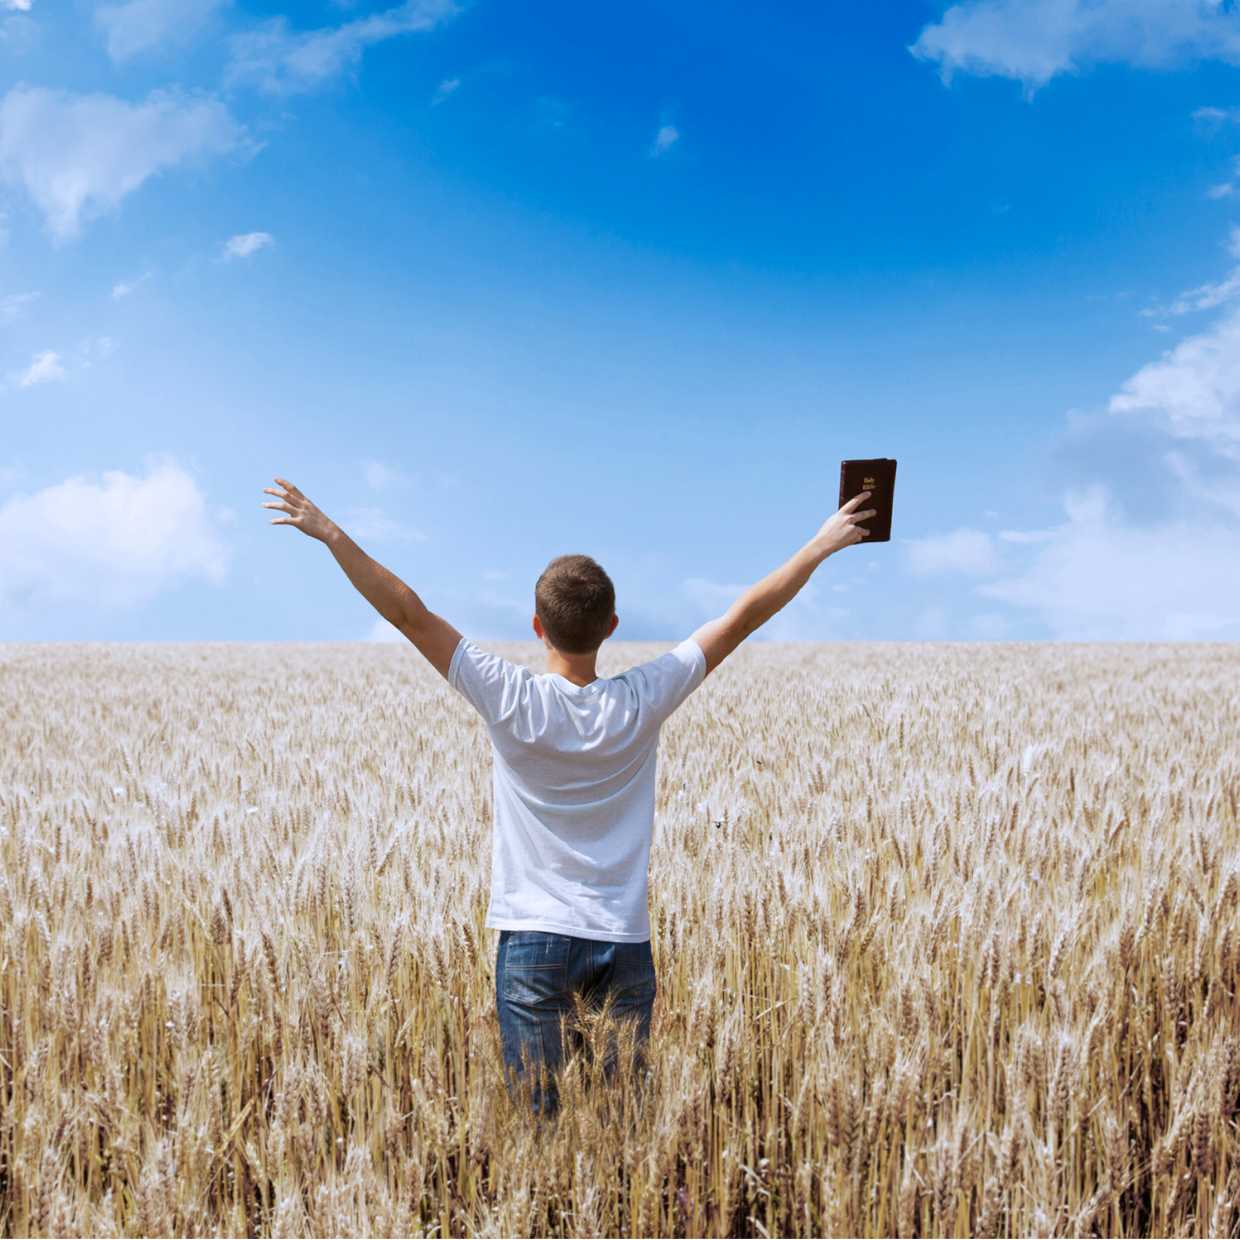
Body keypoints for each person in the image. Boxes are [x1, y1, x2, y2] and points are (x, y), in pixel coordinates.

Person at [263, 477, 876, 1110]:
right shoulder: (643, 698)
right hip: (624, 940)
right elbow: (741, 618)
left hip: (532, 941)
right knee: (621, 1134)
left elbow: (408, 613)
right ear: (610, 625)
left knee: (542, 1129)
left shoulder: (510, 697)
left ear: (537, 625)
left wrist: (331, 533)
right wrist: (820, 545)